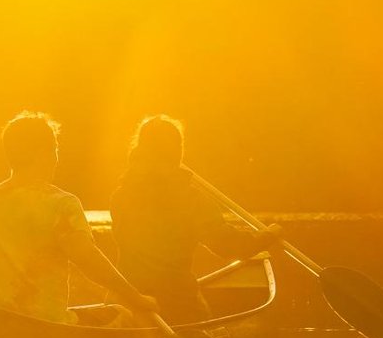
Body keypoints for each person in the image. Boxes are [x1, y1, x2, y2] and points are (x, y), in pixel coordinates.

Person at [0, 111, 159, 325]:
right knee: (127, 316)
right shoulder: (61, 204)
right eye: (55, 149)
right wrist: (134, 297)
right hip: (45, 326)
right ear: (45, 153)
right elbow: (88, 260)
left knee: (110, 310)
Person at [111, 114, 281, 322]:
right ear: (177, 153)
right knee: (202, 323)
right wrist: (267, 236)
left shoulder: (121, 195)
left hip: (127, 299)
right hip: (176, 303)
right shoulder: (189, 199)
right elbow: (227, 244)